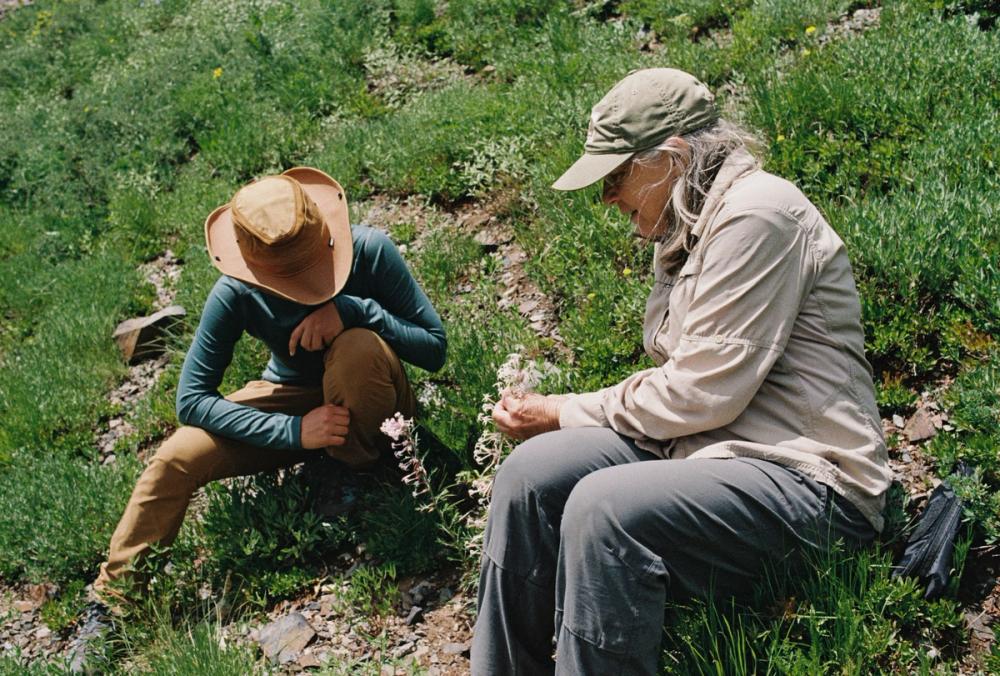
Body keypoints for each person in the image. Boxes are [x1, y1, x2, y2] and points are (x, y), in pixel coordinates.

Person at [470, 68, 893, 675]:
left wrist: (560, 411)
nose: (607, 198)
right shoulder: (686, 223)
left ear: (671, 156)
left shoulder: (757, 215)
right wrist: (557, 424)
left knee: (604, 508)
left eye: (616, 177)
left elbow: (699, 394)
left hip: (812, 483)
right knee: (529, 475)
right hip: (709, 457)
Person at [92, 166, 446, 602]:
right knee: (175, 457)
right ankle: (115, 600)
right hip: (294, 401)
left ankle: (354, 466)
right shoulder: (237, 291)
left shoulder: (369, 250)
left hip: (373, 387)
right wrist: (294, 432)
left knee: (356, 348)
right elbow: (192, 399)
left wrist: (354, 311)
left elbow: (433, 348)